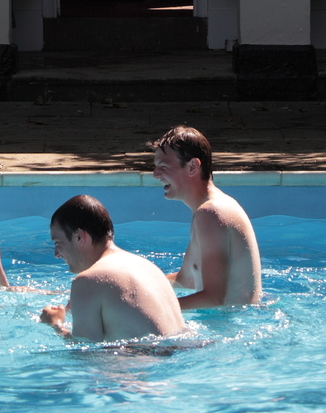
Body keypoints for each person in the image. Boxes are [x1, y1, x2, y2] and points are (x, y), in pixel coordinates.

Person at [40, 195, 186, 341]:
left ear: (79, 237)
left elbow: (84, 355)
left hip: (144, 360)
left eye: (58, 243)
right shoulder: (148, 267)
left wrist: (56, 324)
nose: (56, 254)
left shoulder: (88, 281)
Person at [151, 126, 262, 308]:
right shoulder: (204, 212)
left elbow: (214, 298)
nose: (155, 175)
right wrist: (134, 286)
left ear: (193, 166)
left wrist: (154, 309)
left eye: (163, 167)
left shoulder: (212, 213)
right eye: (155, 167)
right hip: (231, 324)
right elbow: (186, 280)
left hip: (232, 328)